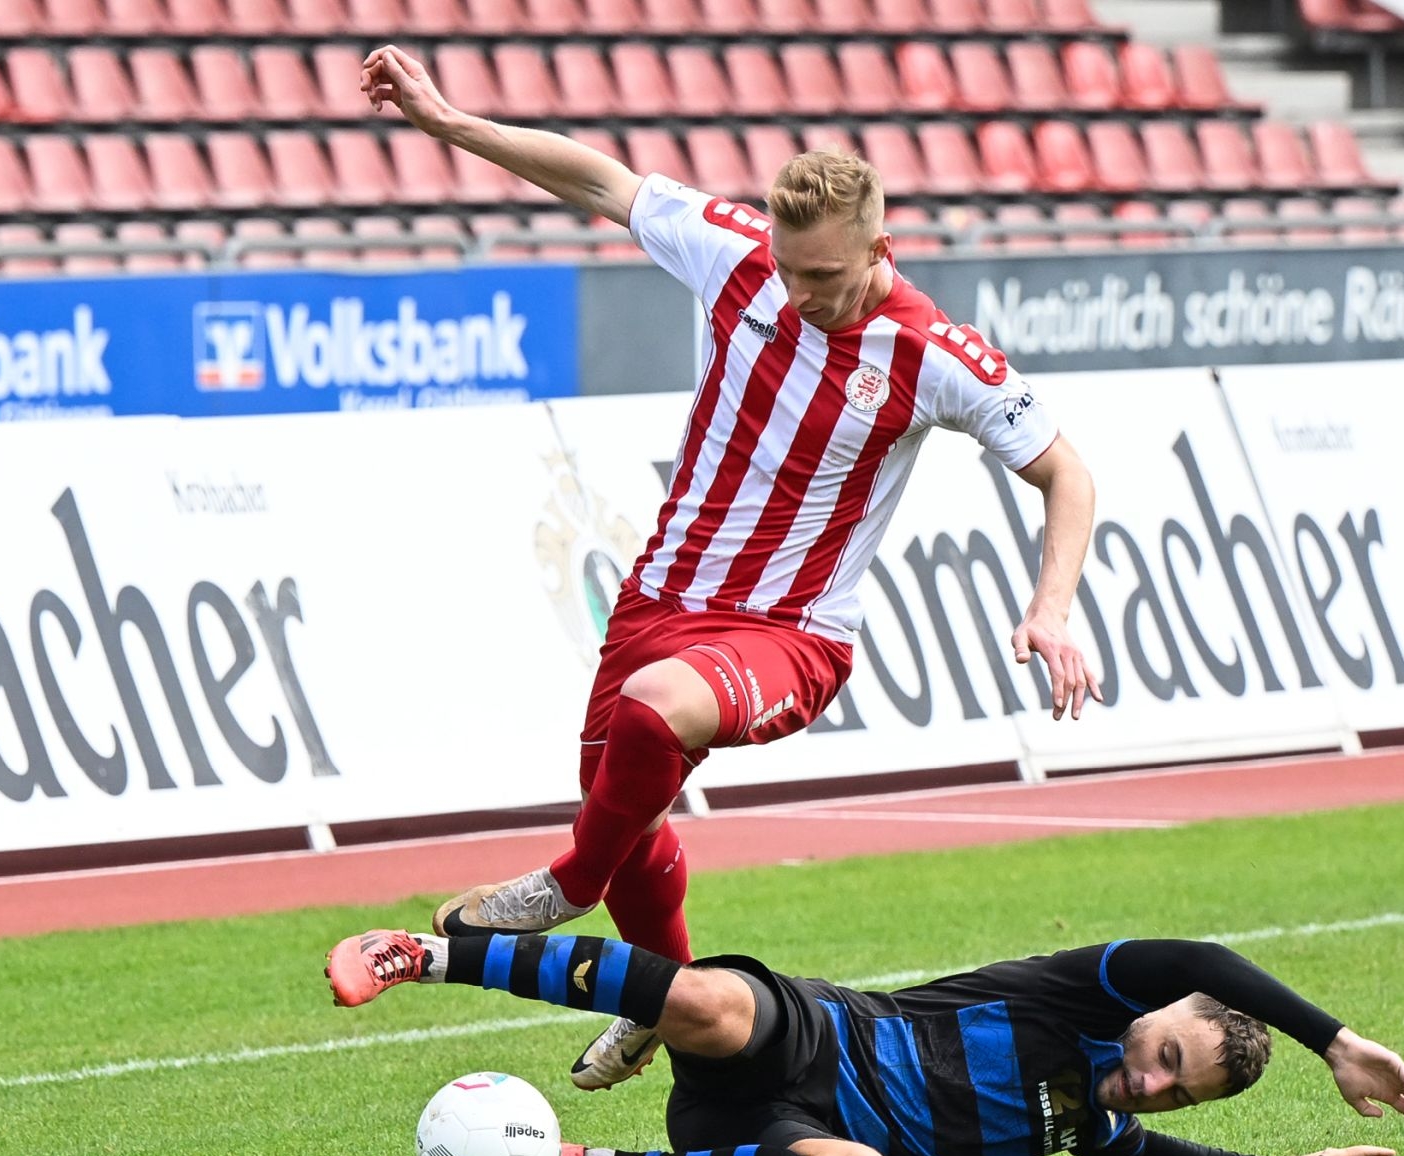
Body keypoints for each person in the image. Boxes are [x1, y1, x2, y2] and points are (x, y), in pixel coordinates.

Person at [358, 47, 1105, 1091]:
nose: (800, 293)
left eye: (825, 277)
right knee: (629, 810)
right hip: (658, 598)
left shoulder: (933, 352)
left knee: (648, 728)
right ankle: (658, 999)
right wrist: (453, 125)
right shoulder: (737, 255)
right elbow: (601, 181)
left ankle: (567, 882)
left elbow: (1066, 471)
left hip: (790, 634)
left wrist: (1051, 608)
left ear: (880, 248)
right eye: (791, 270)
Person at [326, 925, 1404, 1156]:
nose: (1151, 1083)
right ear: (1150, 1012)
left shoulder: (1096, 1126)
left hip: (767, 1139)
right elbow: (1199, 958)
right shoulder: (1079, 992)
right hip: (821, 1035)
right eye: (1164, 1055)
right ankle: (427, 953)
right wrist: (1333, 1039)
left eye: (1176, 1087)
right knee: (710, 999)